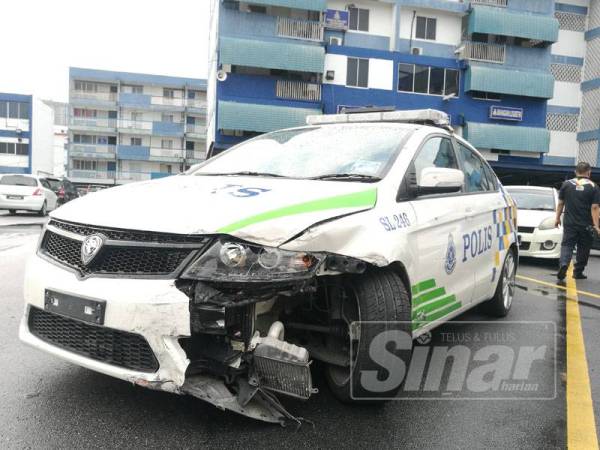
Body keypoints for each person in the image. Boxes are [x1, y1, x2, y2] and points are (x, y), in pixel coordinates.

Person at [555, 162, 600, 280]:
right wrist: (597, 226)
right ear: (589, 172)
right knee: (584, 247)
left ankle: (564, 264)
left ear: (576, 172)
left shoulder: (566, 184)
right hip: (586, 224)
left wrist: (557, 218)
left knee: (567, 245)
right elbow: (595, 208)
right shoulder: (594, 187)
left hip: (569, 223)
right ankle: (578, 272)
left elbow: (560, 203)